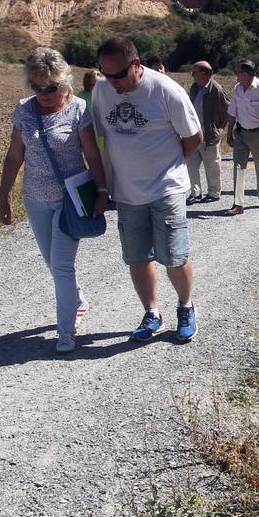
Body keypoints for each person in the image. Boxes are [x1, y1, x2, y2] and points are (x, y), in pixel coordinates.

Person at [0, 47, 108, 353]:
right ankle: (78, 299)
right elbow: (13, 157)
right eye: (37, 87)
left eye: (51, 87)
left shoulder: (77, 110)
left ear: (64, 82)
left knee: (61, 266)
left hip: (69, 200)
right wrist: (3, 195)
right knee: (51, 263)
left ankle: (66, 331)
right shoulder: (23, 110)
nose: (44, 94)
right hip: (35, 199)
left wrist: (101, 190)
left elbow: (92, 153)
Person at [92, 36, 203, 344]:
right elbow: (103, 139)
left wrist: (169, 167)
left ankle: (185, 306)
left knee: (174, 256)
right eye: (105, 73)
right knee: (137, 258)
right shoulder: (102, 90)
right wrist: (103, 186)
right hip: (126, 193)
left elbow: (194, 137)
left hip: (167, 188)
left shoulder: (165, 90)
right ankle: (151, 312)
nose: (111, 81)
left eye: (117, 75)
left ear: (136, 66)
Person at [225, 59, 259, 215]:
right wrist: (229, 133)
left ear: (245, 74)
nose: (236, 75)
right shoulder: (237, 89)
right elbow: (232, 113)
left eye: (237, 72)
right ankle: (238, 204)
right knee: (238, 167)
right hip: (240, 133)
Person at [186, 61, 230, 205]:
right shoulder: (194, 88)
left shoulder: (216, 89)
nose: (192, 75)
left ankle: (214, 193)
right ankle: (195, 193)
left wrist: (218, 129)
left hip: (209, 135)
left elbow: (227, 111)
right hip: (193, 135)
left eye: (195, 72)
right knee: (191, 166)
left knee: (212, 166)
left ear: (204, 74)